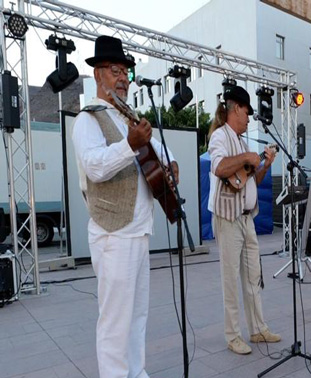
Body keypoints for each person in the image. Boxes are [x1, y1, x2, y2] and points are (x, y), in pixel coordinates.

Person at [72, 35, 178, 378]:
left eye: (126, 72)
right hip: (113, 233)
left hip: (139, 231)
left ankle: (137, 372)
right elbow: (95, 166)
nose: (122, 78)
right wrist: (129, 146)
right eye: (115, 70)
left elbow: (162, 152)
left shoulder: (129, 118)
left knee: (137, 316)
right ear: (98, 75)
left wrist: (172, 165)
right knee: (115, 322)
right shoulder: (88, 120)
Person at [208, 85, 281, 355]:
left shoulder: (241, 142)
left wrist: (266, 163)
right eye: (247, 112)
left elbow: (252, 179)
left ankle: (258, 328)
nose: (249, 118)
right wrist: (247, 157)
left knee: (253, 277)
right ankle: (233, 335)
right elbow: (219, 167)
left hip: (247, 218)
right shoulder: (220, 137)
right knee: (230, 279)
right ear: (236, 108)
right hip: (228, 218)